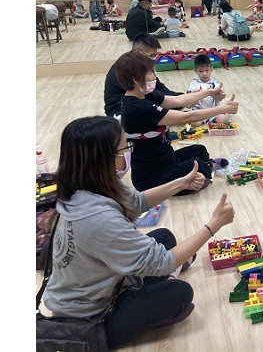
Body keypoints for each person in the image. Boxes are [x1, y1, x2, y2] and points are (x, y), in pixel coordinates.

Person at [42, 115, 236, 350]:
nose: (128, 154)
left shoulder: (87, 184)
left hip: (103, 278)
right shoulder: (98, 218)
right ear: (104, 159)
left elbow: (136, 202)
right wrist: (213, 225)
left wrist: (181, 183)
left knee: (164, 237)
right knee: (180, 293)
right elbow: (163, 262)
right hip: (91, 315)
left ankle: (160, 279)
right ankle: (156, 293)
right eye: (124, 149)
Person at [116, 50, 238, 193]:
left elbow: (179, 100)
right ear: (135, 79)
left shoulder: (144, 95)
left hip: (166, 159)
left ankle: (203, 171)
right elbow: (185, 117)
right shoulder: (137, 108)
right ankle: (202, 173)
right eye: (150, 72)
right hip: (151, 177)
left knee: (199, 150)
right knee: (198, 165)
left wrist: (209, 92)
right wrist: (222, 109)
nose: (154, 76)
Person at [104, 33, 183, 119]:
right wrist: (178, 100)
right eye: (152, 55)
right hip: (120, 110)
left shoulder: (142, 64)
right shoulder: (125, 68)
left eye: (155, 55)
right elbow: (151, 94)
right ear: (138, 52)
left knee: (175, 103)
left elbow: (158, 86)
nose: (154, 59)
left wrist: (178, 97)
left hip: (139, 102)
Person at [187, 54, 229, 126]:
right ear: (195, 71)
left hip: (212, 110)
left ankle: (225, 113)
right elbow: (188, 94)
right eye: (200, 71)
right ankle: (202, 119)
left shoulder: (215, 84)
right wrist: (196, 93)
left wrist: (220, 95)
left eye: (207, 70)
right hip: (199, 110)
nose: (204, 74)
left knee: (222, 120)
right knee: (194, 123)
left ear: (211, 69)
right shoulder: (194, 83)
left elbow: (220, 95)